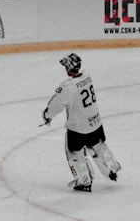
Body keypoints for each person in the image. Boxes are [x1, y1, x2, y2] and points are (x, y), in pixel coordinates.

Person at [41, 53, 121, 193]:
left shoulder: (68, 87)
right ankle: (111, 169)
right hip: (96, 123)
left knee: (75, 153)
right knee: (97, 146)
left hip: (79, 129)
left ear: (68, 68)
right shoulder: (87, 76)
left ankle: (84, 181)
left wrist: (47, 116)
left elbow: (55, 105)